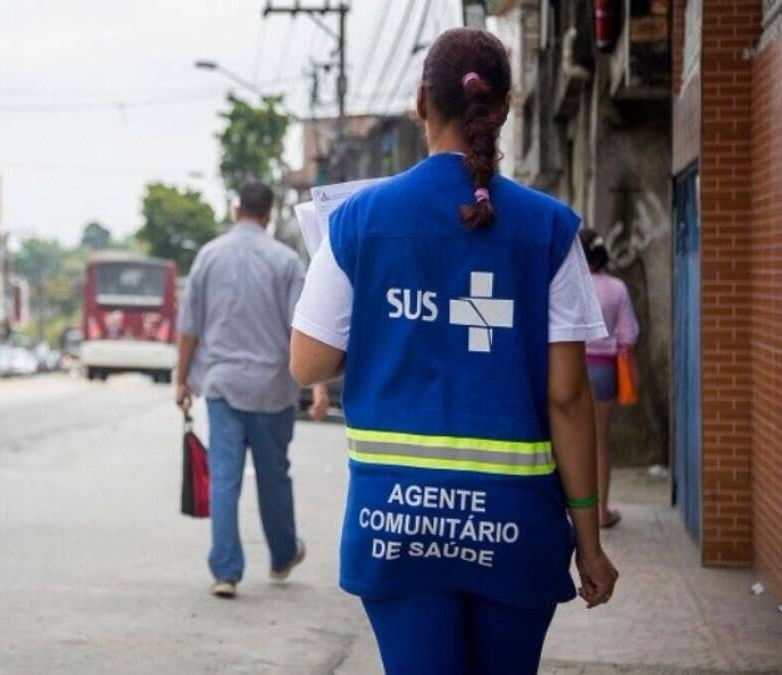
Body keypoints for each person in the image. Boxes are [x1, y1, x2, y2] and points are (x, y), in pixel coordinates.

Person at [288, 28, 619, 674]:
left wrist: (389, 321)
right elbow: (568, 398)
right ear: (505, 108)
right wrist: (589, 541)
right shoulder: (549, 228)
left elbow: (308, 363)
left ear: (420, 103)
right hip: (516, 524)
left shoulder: (357, 222)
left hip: (394, 523)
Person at [175, 181, 330, 600]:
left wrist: (180, 379)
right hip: (272, 390)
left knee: (224, 478)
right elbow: (305, 329)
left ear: (236, 208)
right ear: (268, 213)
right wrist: (316, 386)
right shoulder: (285, 262)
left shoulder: (208, 257)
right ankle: (282, 555)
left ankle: (226, 571)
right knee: (273, 476)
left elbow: (189, 327)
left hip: (222, 386)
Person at [579, 229, 640, 529]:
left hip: (573, 367)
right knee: (600, 441)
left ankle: (573, 511)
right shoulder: (617, 288)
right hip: (605, 369)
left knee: (571, 438)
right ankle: (602, 512)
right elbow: (628, 336)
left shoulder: (571, 286)